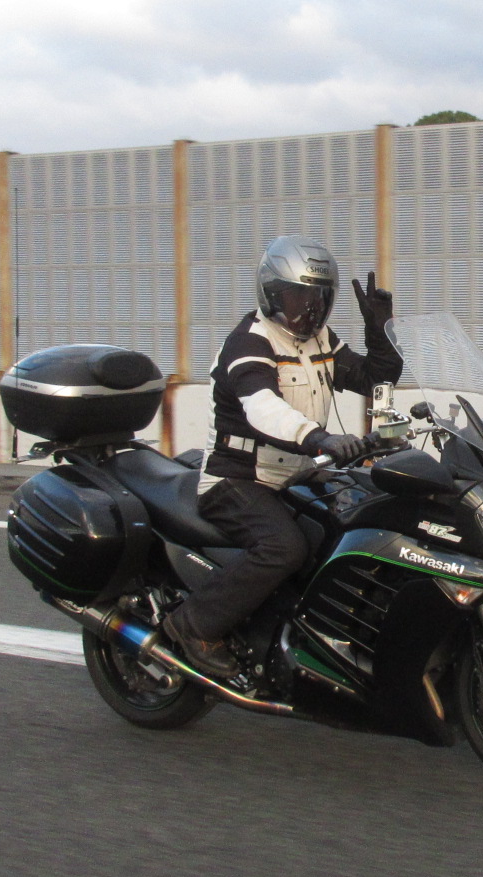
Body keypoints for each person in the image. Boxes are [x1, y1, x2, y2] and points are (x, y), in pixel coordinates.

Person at [159, 236, 402, 678]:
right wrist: (321, 438)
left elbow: (374, 379)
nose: (308, 310)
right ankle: (192, 625)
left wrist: (379, 331)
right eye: (297, 298)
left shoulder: (321, 340)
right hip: (238, 479)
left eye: (318, 299)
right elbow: (263, 409)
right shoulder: (249, 342)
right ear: (271, 294)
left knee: (361, 524)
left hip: (299, 474)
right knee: (283, 548)